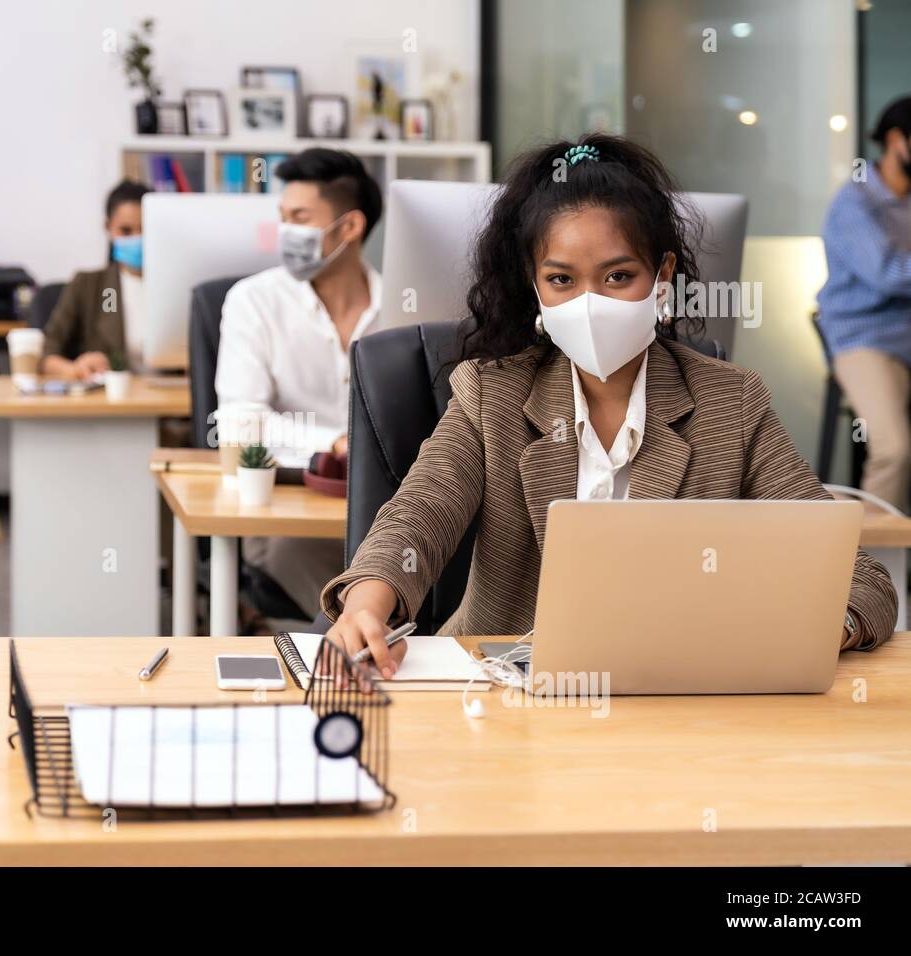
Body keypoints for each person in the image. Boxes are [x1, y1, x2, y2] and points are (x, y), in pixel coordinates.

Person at [319, 134, 898, 675]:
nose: (589, 302)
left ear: (662, 275)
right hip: (501, 693)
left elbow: (856, 575)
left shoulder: (731, 402)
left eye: (618, 276)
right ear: (535, 286)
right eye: (562, 279)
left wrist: (823, 626)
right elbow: (417, 518)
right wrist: (368, 603)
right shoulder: (489, 392)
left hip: (670, 695)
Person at [215, 148, 384, 621]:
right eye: (282, 217)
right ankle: (360, 662)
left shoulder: (403, 305)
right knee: (303, 556)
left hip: (380, 509)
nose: (285, 231)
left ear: (348, 228)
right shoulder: (253, 301)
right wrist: (332, 441)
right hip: (284, 509)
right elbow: (241, 420)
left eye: (300, 217)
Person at [818, 95, 911, 511]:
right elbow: (887, 273)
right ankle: (872, 563)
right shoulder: (855, 202)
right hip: (865, 339)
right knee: (894, 449)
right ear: (896, 140)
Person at [43, 178, 150, 379]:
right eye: (126, 231)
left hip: (174, 402)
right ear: (108, 227)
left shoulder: (183, 290)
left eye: (145, 229)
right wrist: (74, 369)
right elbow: (47, 354)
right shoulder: (90, 286)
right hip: (113, 404)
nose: (137, 238)